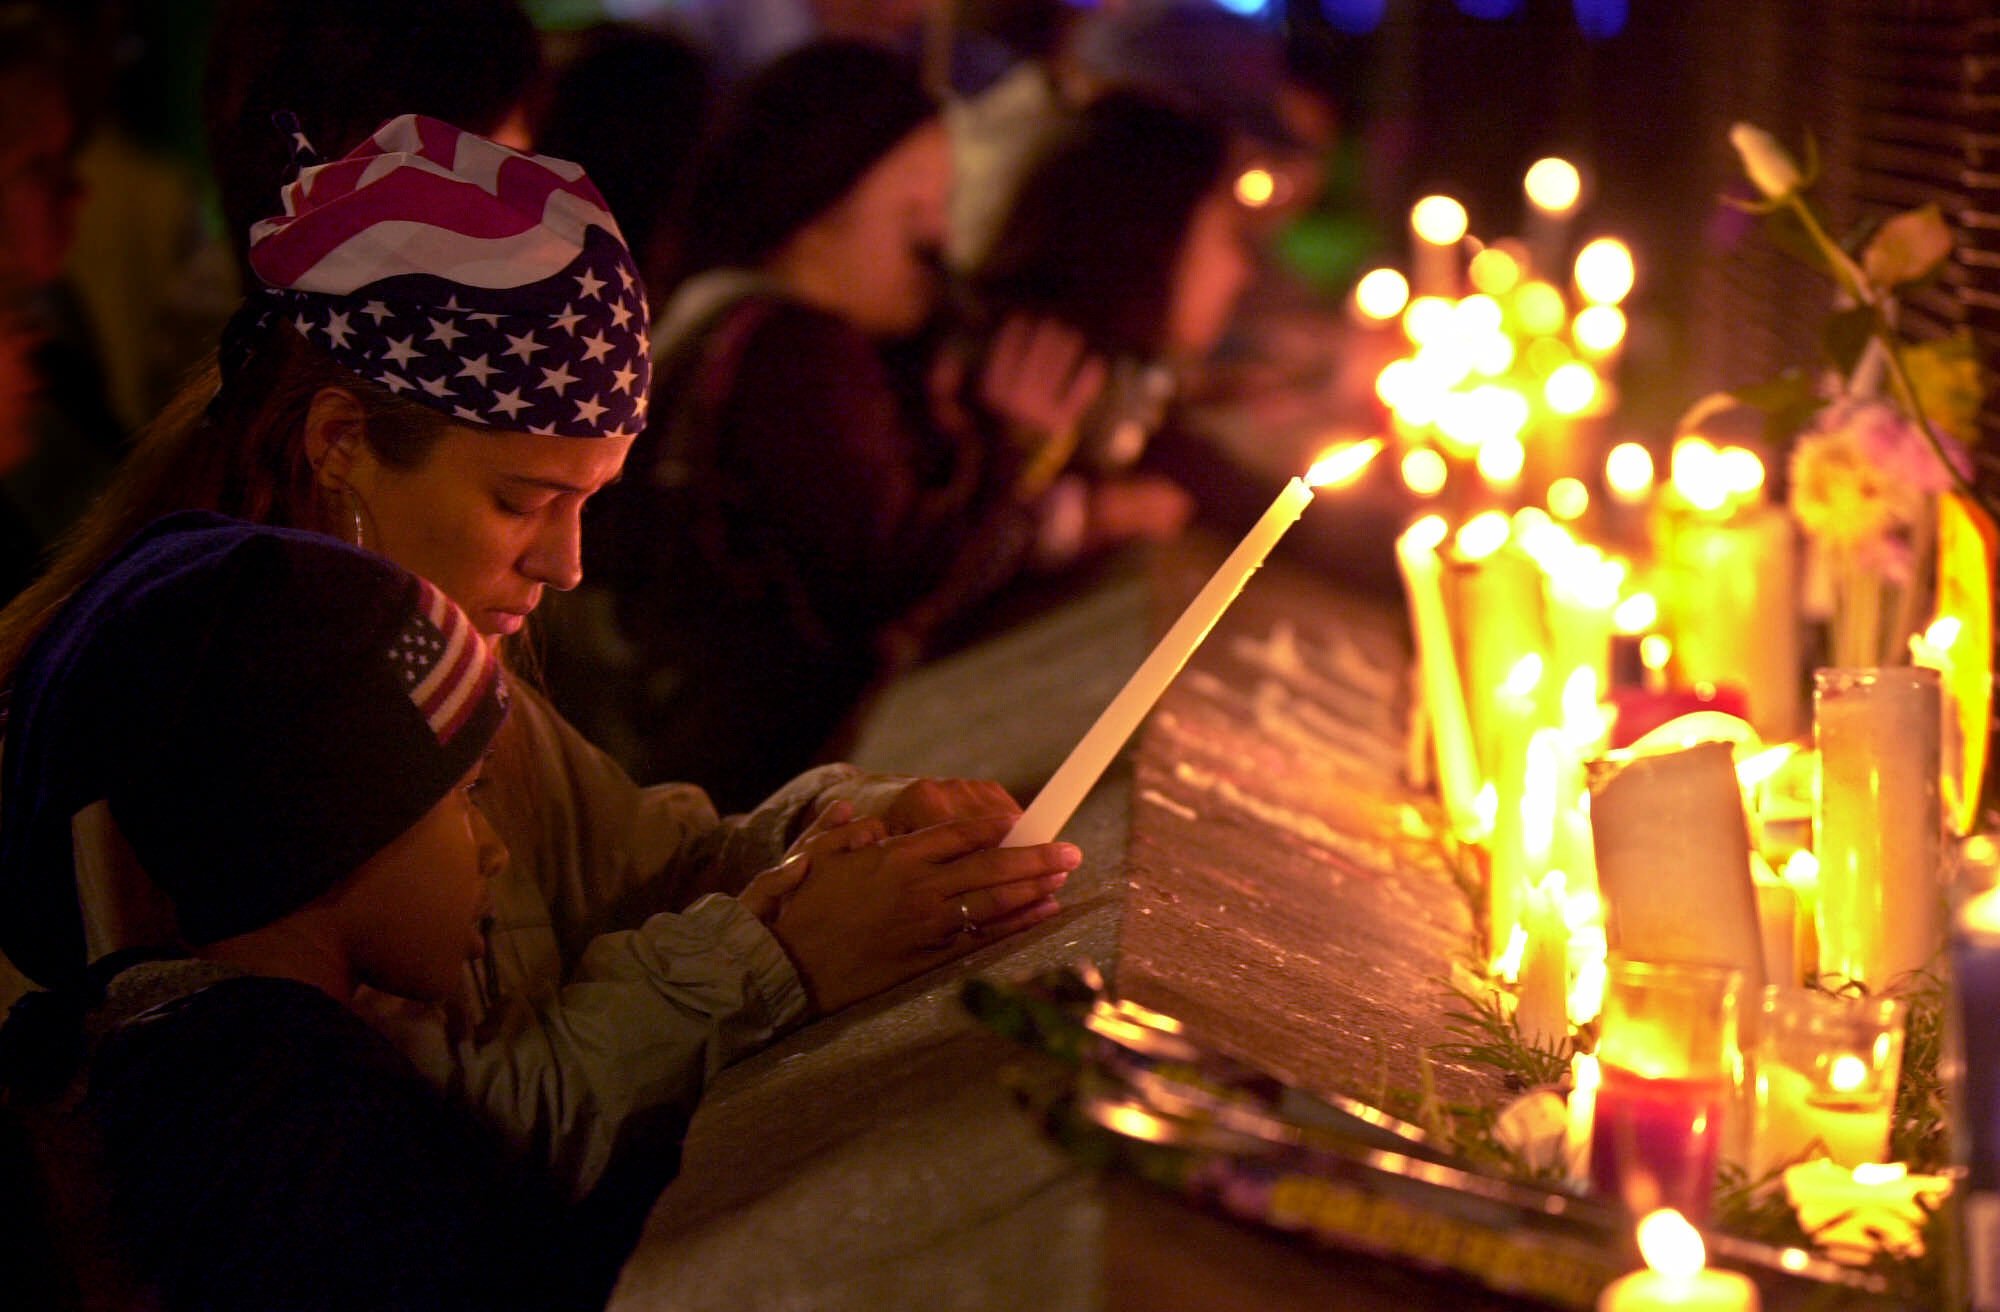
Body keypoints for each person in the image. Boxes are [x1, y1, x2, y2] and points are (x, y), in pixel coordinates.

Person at [0, 114, 1079, 1204]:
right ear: (339, 443)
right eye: (523, 501)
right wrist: (774, 964)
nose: (566, 566)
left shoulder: (429, 649)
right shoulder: (190, 705)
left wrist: (837, 836)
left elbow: (637, 861)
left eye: (589, 504)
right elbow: (402, 1147)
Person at [0, 514, 599, 1310]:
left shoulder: (186, 1068)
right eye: (466, 799)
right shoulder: (311, 1144)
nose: (494, 850)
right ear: (321, 830)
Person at [539, 38, 1105, 811]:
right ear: (817, 202)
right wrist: (1009, 446)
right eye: (916, 211)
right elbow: (889, 582)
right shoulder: (790, 349)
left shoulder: (724, 316)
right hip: (709, 785)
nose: (938, 242)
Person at [956, 90, 1254, 552]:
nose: (1242, 272)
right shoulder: (1027, 365)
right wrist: (1077, 518)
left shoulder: (1121, 381)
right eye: (1226, 234)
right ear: (1156, 237)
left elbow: (1227, 491)